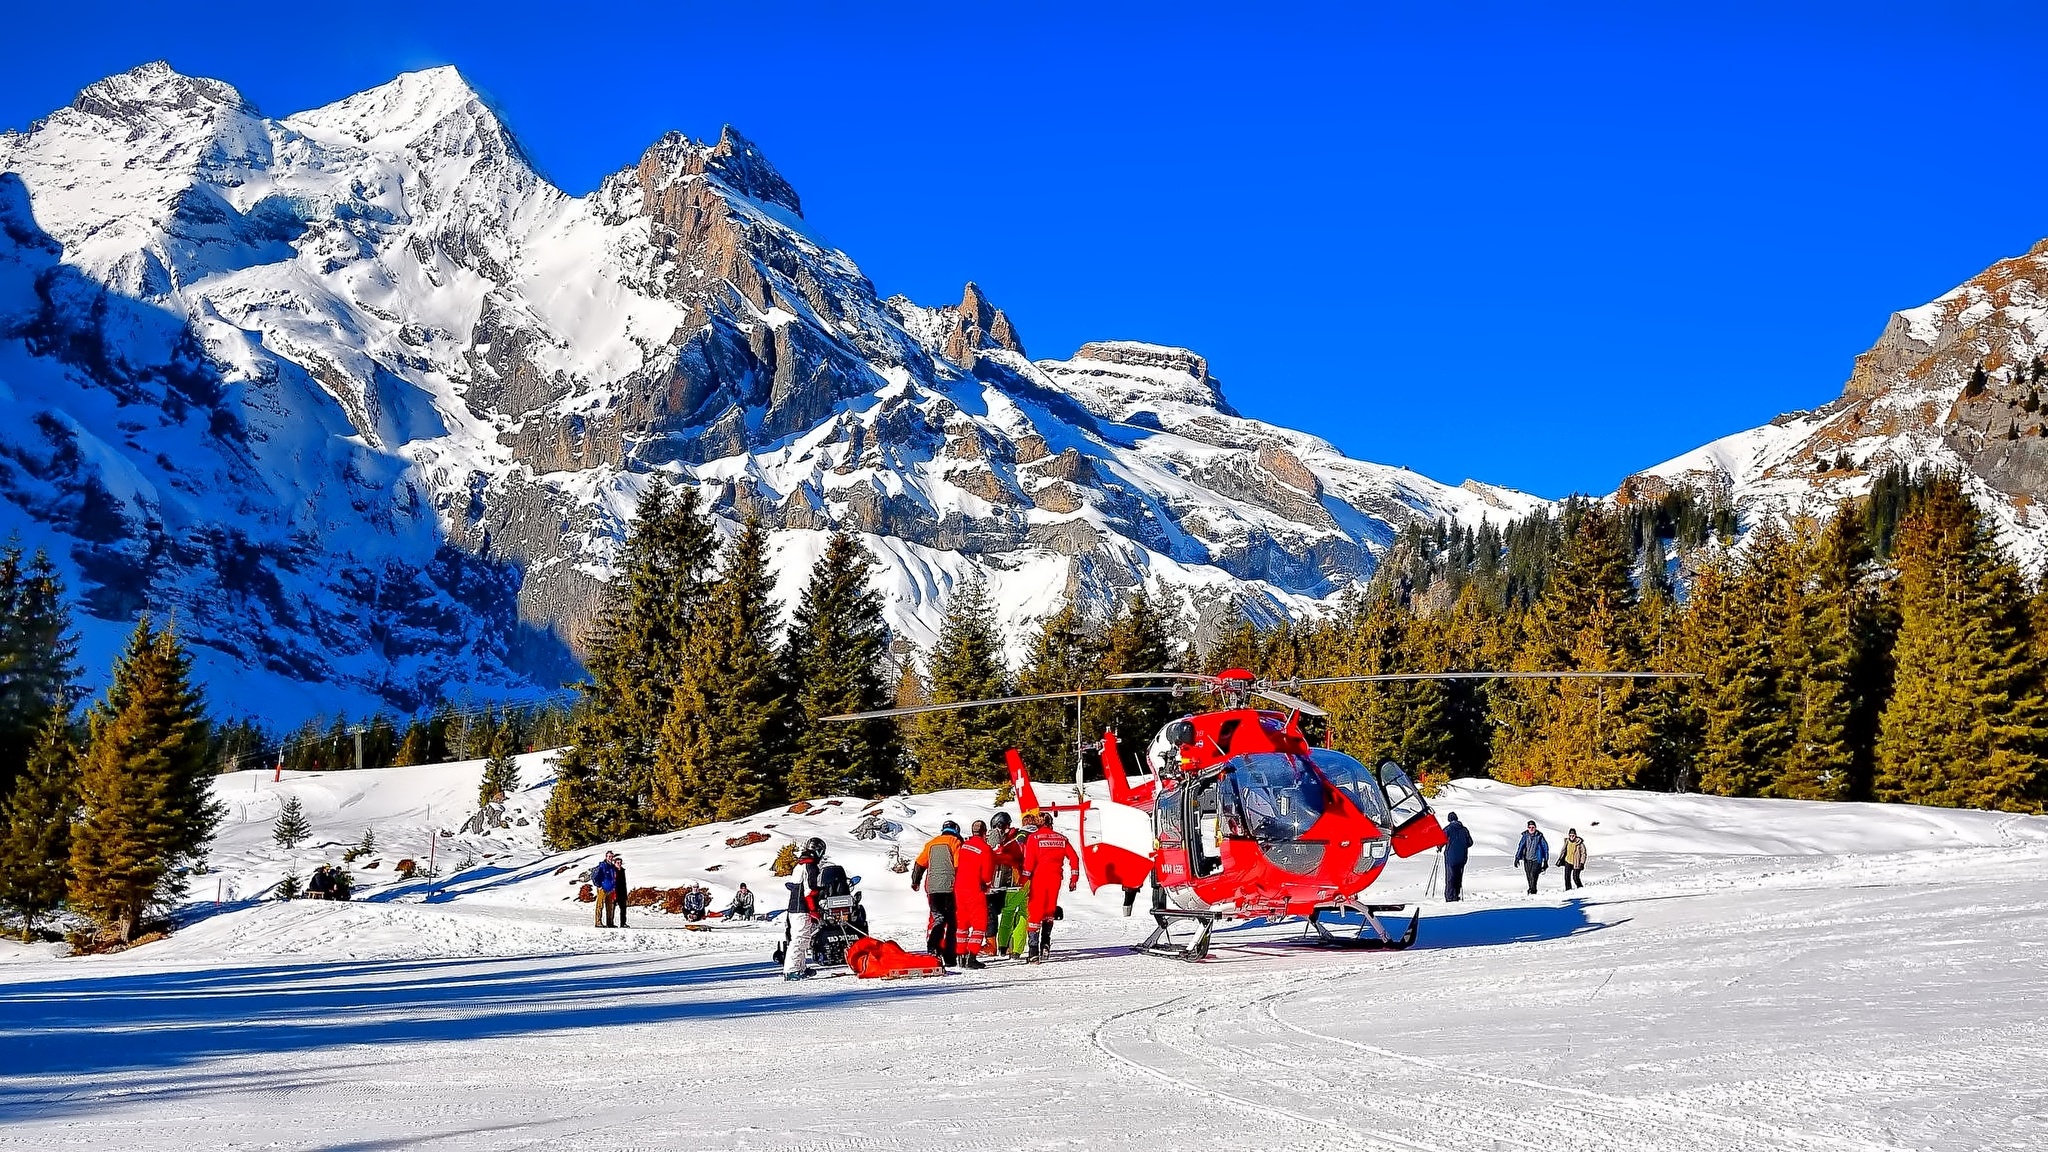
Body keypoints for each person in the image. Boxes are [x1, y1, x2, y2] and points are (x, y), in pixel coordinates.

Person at [1020, 810, 1079, 962]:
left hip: (1039, 878)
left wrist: (1023, 880)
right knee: (1049, 911)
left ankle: (1033, 952)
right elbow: (1074, 857)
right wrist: (1074, 878)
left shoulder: (1034, 838)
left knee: (1035, 912)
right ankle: (1045, 944)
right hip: (1055, 879)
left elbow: (1029, 864)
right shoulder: (1062, 839)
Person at [911, 820, 964, 966]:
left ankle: (933, 947)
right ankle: (949, 956)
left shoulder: (931, 843)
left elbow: (919, 864)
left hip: (932, 888)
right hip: (950, 887)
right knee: (952, 922)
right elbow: (958, 865)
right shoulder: (955, 842)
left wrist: (915, 882)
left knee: (938, 918)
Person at [953, 819, 995, 968]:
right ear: (985, 832)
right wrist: (988, 884)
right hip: (974, 889)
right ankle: (972, 957)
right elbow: (988, 873)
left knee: (962, 923)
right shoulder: (985, 849)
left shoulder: (964, 846)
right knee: (979, 924)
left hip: (959, 887)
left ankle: (960, 956)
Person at [784, 837, 825, 980]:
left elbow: (793, 885)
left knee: (803, 938)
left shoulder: (800, 864)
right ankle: (791, 970)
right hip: (802, 908)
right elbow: (809, 891)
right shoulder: (809, 866)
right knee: (799, 939)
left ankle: (800, 968)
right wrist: (814, 910)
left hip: (796, 907)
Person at [989, 812, 1027, 956]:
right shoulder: (1016, 838)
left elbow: (1003, 856)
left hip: (1011, 880)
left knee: (1008, 913)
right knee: (1023, 913)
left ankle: (1003, 946)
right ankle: (1016, 949)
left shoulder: (1011, 839)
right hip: (1020, 880)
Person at [1441, 812, 1474, 902]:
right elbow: (1470, 843)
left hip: (1450, 857)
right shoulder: (1464, 829)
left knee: (1450, 877)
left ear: (1449, 820)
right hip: (1462, 857)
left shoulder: (1448, 829)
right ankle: (1456, 895)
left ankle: (1450, 897)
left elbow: (1441, 840)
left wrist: (1439, 847)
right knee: (1458, 877)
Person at [1513, 820, 1550, 895]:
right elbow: (1521, 847)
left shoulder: (1539, 836)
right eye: (1530, 827)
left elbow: (1545, 848)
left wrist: (1545, 860)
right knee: (1529, 875)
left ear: (1535, 828)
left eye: (1533, 827)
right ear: (1527, 828)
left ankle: (1533, 891)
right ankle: (1531, 889)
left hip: (1537, 859)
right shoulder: (1525, 836)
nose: (1531, 829)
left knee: (1533, 874)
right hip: (1527, 859)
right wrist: (1517, 858)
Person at [591, 854, 620, 927]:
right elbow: (595, 876)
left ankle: (610, 923)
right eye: (609, 856)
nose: (610, 858)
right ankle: (598, 922)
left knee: (610, 907)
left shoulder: (612, 867)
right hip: (603, 889)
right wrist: (599, 885)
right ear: (606, 857)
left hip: (610, 889)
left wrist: (614, 886)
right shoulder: (602, 866)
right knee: (600, 905)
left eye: (611, 856)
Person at [612, 853, 630, 928]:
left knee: (623, 909)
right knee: (612, 909)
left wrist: (625, 894)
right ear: (615, 863)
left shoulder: (622, 870)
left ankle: (623, 923)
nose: (619, 864)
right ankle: (610, 923)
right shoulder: (613, 871)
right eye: (617, 863)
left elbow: (624, 883)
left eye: (620, 863)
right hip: (614, 892)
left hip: (622, 893)